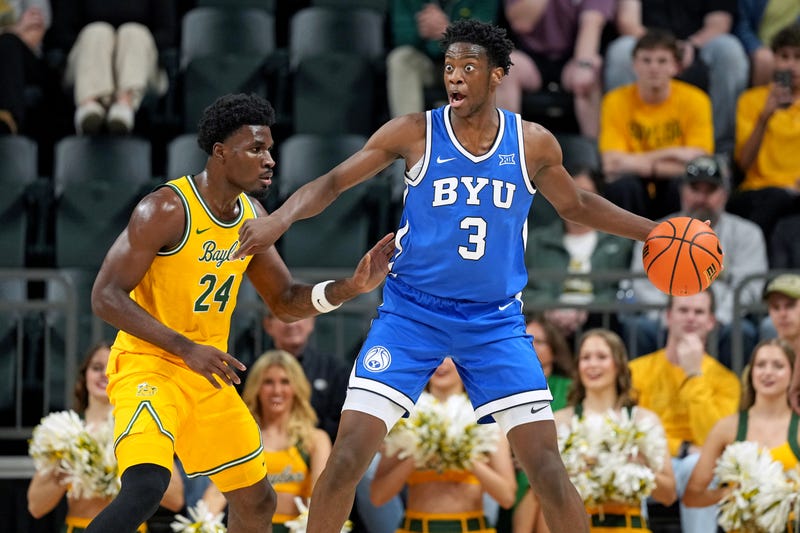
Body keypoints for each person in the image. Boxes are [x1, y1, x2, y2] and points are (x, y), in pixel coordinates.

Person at [232, 19, 664, 533]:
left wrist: (655, 231)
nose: (455, 77)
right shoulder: (415, 132)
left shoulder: (532, 143)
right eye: (449, 67)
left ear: (498, 75)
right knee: (347, 457)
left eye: (469, 67)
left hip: (494, 321)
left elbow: (577, 204)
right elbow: (332, 182)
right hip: (412, 313)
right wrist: (277, 220)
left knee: (547, 468)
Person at [87, 93, 395, 532]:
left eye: (269, 148)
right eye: (256, 149)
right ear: (220, 153)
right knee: (147, 486)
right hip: (149, 366)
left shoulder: (253, 216)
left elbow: (285, 300)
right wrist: (185, 347)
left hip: (207, 374)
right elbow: (105, 296)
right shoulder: (166, 209)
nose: (269, 159)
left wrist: (350, 287)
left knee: (257, 500)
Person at [516, 329, 676, 532]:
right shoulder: (560, 422)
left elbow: (669, 495)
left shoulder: (643, 421)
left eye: (601, 357)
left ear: (618, 364)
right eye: (585, 358)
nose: (592, 364)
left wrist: (643, 466)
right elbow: (541, 494)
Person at [626, 154, 767, 369]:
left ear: (725, 194)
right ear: (682, 191)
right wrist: (671, 318)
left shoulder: (747, 233)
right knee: (638, 328)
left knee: (742, 332)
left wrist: (714, 319)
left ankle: (737, 399)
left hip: (722, 322)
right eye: (695, 189)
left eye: (710, 190)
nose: (701, 198)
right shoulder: (655, 230)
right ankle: (637, 396)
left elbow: (748, 288)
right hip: (666, 320)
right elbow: (641, 281)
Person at [27, 342, 185, 532]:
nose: (104, 374)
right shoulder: (64, 433)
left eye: (112, 367)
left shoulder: (142, 430)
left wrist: (131, 469)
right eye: (96, 368)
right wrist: (65, 471)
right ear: (84, 376)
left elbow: (176, 500)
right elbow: (35, 507)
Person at [628, 291, 741, 533]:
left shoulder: (726, 380)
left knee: (698, 463)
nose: (690, 317)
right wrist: (680, 447)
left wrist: (693, 375)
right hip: (652, 463)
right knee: (630, 461)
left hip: (698, 469)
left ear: (711, 321)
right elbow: (628, 430)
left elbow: (714, 439)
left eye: (699, 312)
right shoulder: (636, 371)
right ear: (668, 316)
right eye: (683, 310)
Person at [370, 357, 517, 532]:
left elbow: (507, 497)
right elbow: (377, 496)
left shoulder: (486, 421)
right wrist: (418, 455)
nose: (442, 363)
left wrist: (462, 455)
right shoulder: (407, 421)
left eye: (450, 355)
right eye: (435, 353)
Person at [202, 350, 333, 532]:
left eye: (285, 382)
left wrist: (251, 502)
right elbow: (217, 493)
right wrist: (201, 526)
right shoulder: (242, 437)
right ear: (257, 388)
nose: (277, 390)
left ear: (296, 388)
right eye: (268, 382)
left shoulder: (316, 440)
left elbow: (322, 498)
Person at [599, 28, 714, 221]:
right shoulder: (614, 100)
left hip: (669, 185)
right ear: (634, 65)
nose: (654, 68)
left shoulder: (696, 100)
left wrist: (635, 162)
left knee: (682, 183)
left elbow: (698, 163)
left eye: (662, 61)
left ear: (675, 67)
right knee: (623, 186)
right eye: (646, 60)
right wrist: (674, 153)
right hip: (635, 185)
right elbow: (611, 164)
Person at [604, 0, 748, 154]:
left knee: (729, 50)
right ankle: (619, 148)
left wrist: (691, 45)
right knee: (621, 50)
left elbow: (719, 23)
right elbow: (628, 21)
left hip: (699, 45)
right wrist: (662, 51)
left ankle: (721, 149)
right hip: (647, 43)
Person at [683, 339, 798, 522]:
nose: (768, 372)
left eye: (778, 366)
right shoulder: (727, 428)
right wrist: (732, 493)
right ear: (751, 372)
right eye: (761, 365)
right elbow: (692, 496)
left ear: (792, 374)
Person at [524, 167, 633, 345]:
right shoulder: (537, 242)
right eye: (569, 192)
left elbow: (624, 290)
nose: (576, 201)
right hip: (548, 324)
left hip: (599, 321)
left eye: (586, 194)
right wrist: (550, 308)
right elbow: (522, 288)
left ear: (600, 198)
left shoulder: (619, 243)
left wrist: (586, 309)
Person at [48, 0, 177, 134]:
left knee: (132, 32)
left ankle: (124, 105)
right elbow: (61, 34)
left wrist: (120, 45)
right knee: (97, 31)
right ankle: (90, 105)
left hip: (141, 65)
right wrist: (108, 46)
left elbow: (167, 34)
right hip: (87, 62)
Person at [726, 22, 800, 245]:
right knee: (773, 199)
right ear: (774, 60)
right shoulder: (751, 100)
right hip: (759, 189)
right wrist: (764, 116)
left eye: (798, 57)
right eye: (784, 56)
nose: (791, 65)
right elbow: (743, 164)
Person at [495, 0, 613, 138]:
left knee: (591, 72)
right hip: (529, 56)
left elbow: (592, 22)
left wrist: (584, 65)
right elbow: (522, 23)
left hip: (573, 55)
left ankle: (594, 151)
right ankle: (506, 148)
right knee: (506, 66)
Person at [386, 0, 499, 117]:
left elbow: (486, 36)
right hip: (425, 63)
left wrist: (450, 31)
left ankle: (479, 131)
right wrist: (421, 30)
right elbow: (400, 36)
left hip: (464, 62)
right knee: (400, 58)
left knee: (491, 62)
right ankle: (407, 131)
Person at [261, 309, 349, 444]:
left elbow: (344, 426)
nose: (291, 325)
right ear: (268, 325)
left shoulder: (336, 371)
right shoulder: (251, 372)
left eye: (299, 315)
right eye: (282, 317)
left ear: (312, 322)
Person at [0, 0, 52, 136]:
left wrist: (9, 34)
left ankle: (8, 120)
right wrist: (16, 30)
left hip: (24, 60)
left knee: (8, 43)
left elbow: (34, 32)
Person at [734, 0, 800, 86]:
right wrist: (757, 48)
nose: (791, 64)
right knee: (767, 60)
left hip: (791, 47)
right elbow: (742, 25)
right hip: (761, 49)